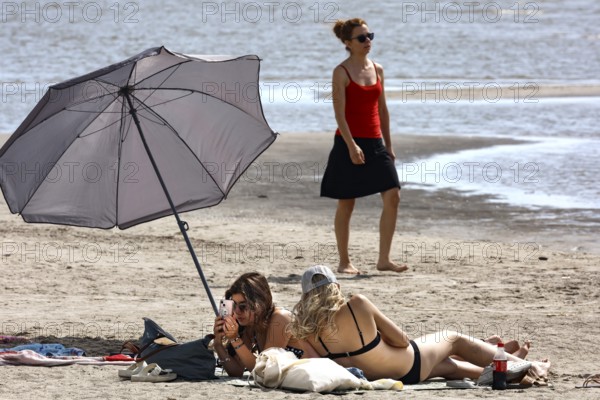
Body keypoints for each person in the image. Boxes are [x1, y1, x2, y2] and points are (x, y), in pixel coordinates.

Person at [291, 265, 551, 383]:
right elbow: (402, 341)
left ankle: (504, 368)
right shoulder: (357, 304)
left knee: (449, 367)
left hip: (385, 376)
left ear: (305, 296)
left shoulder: (306, 331)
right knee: (452, 338)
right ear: (335, 286)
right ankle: (524, 365)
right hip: (409, 363)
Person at [321, 18, 406, 275]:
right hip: (348, 141)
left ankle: (384, 259)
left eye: (370, 36)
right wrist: (351, 146)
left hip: (375, 142)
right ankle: (344, 261)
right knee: (347, 204)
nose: (367, 41)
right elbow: (339, 114)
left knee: (393, 195)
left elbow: (382, 110)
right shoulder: (341, 72)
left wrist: (388, 145)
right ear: (348, 43)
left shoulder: (377, 69)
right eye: (361, 38)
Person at [212, 272, 317, 376]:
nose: (237, 311)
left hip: (316, 374)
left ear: (259, 304)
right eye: (234, 305)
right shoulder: (250, 324)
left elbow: (264, 371)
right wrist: (218, 343)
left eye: (243, 306)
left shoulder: (280, 318)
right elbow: (236, 371)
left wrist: (235, 339)